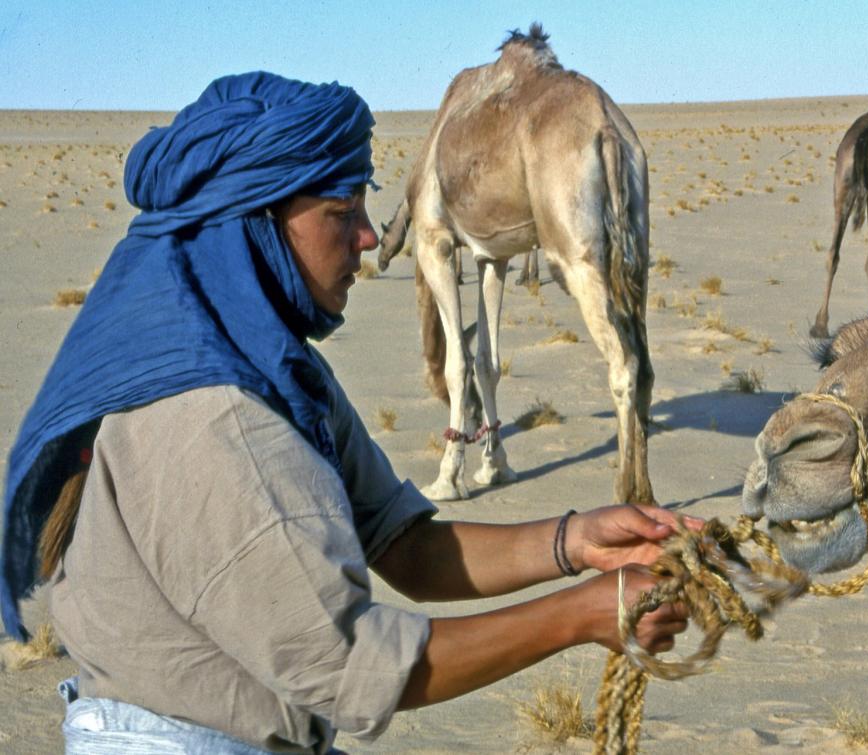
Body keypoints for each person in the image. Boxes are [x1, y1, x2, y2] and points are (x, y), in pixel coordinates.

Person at [0, 72, 691, 754]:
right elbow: (349, 667)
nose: (369, 237)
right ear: (258, 218)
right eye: (342, 212)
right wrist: (585, 614)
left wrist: (575, 543)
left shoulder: (273, 367)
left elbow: (407, 547)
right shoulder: (215, 411)